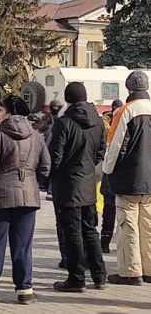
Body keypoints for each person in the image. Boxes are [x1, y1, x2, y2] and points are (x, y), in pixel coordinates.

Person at [0, 95, 50, 305]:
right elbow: (45, 167)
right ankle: (25, 289)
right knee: (23, 245)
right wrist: (33, 181)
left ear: (8, 112)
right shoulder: (36, 137)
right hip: (28, 198)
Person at [48, 82, 107, 292]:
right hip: (89, 183)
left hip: (68, 185)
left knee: (72, 232)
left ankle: (76, 278)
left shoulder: (63, 123)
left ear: (68, 100)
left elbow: (55, 156)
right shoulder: (98, 122)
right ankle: (99, 275)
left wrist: (51, 175)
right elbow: (101, 151)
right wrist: (89, 166)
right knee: (90, 231)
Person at [103, 71, 151, 285]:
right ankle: (149, 269)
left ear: (129, 89)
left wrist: (107, 169)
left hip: (130, 180)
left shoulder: (125, 111)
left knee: (128, 226)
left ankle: (131, 272)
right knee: (148, 226)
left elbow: (116, 146)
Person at [100, 99, 123, 253]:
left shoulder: (109, 122)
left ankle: (105, 242)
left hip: (110, 174)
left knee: (110, 213)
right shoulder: (109, 122)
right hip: (117, 177)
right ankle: (106, 243)